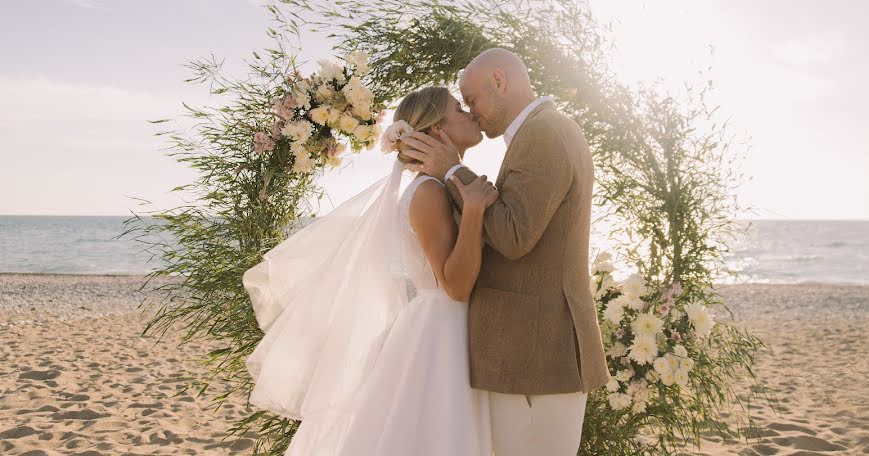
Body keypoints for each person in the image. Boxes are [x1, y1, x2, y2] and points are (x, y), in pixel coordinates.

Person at [243, 86, 498, 455]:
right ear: (439, 130)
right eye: (459, 108)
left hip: (443, 326)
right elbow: (454, 286)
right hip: (443, 333)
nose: (469, 114)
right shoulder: (428, 192)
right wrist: (474, 212)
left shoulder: (438, 186)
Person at [400, 48, 611, 456]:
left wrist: (452, 172)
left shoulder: (544, 132)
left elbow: (514, 236)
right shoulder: (537, 132)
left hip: (535, 354)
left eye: (471, 99)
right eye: (462, 105)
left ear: (499, 81)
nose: (471, 111)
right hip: (525, 355)